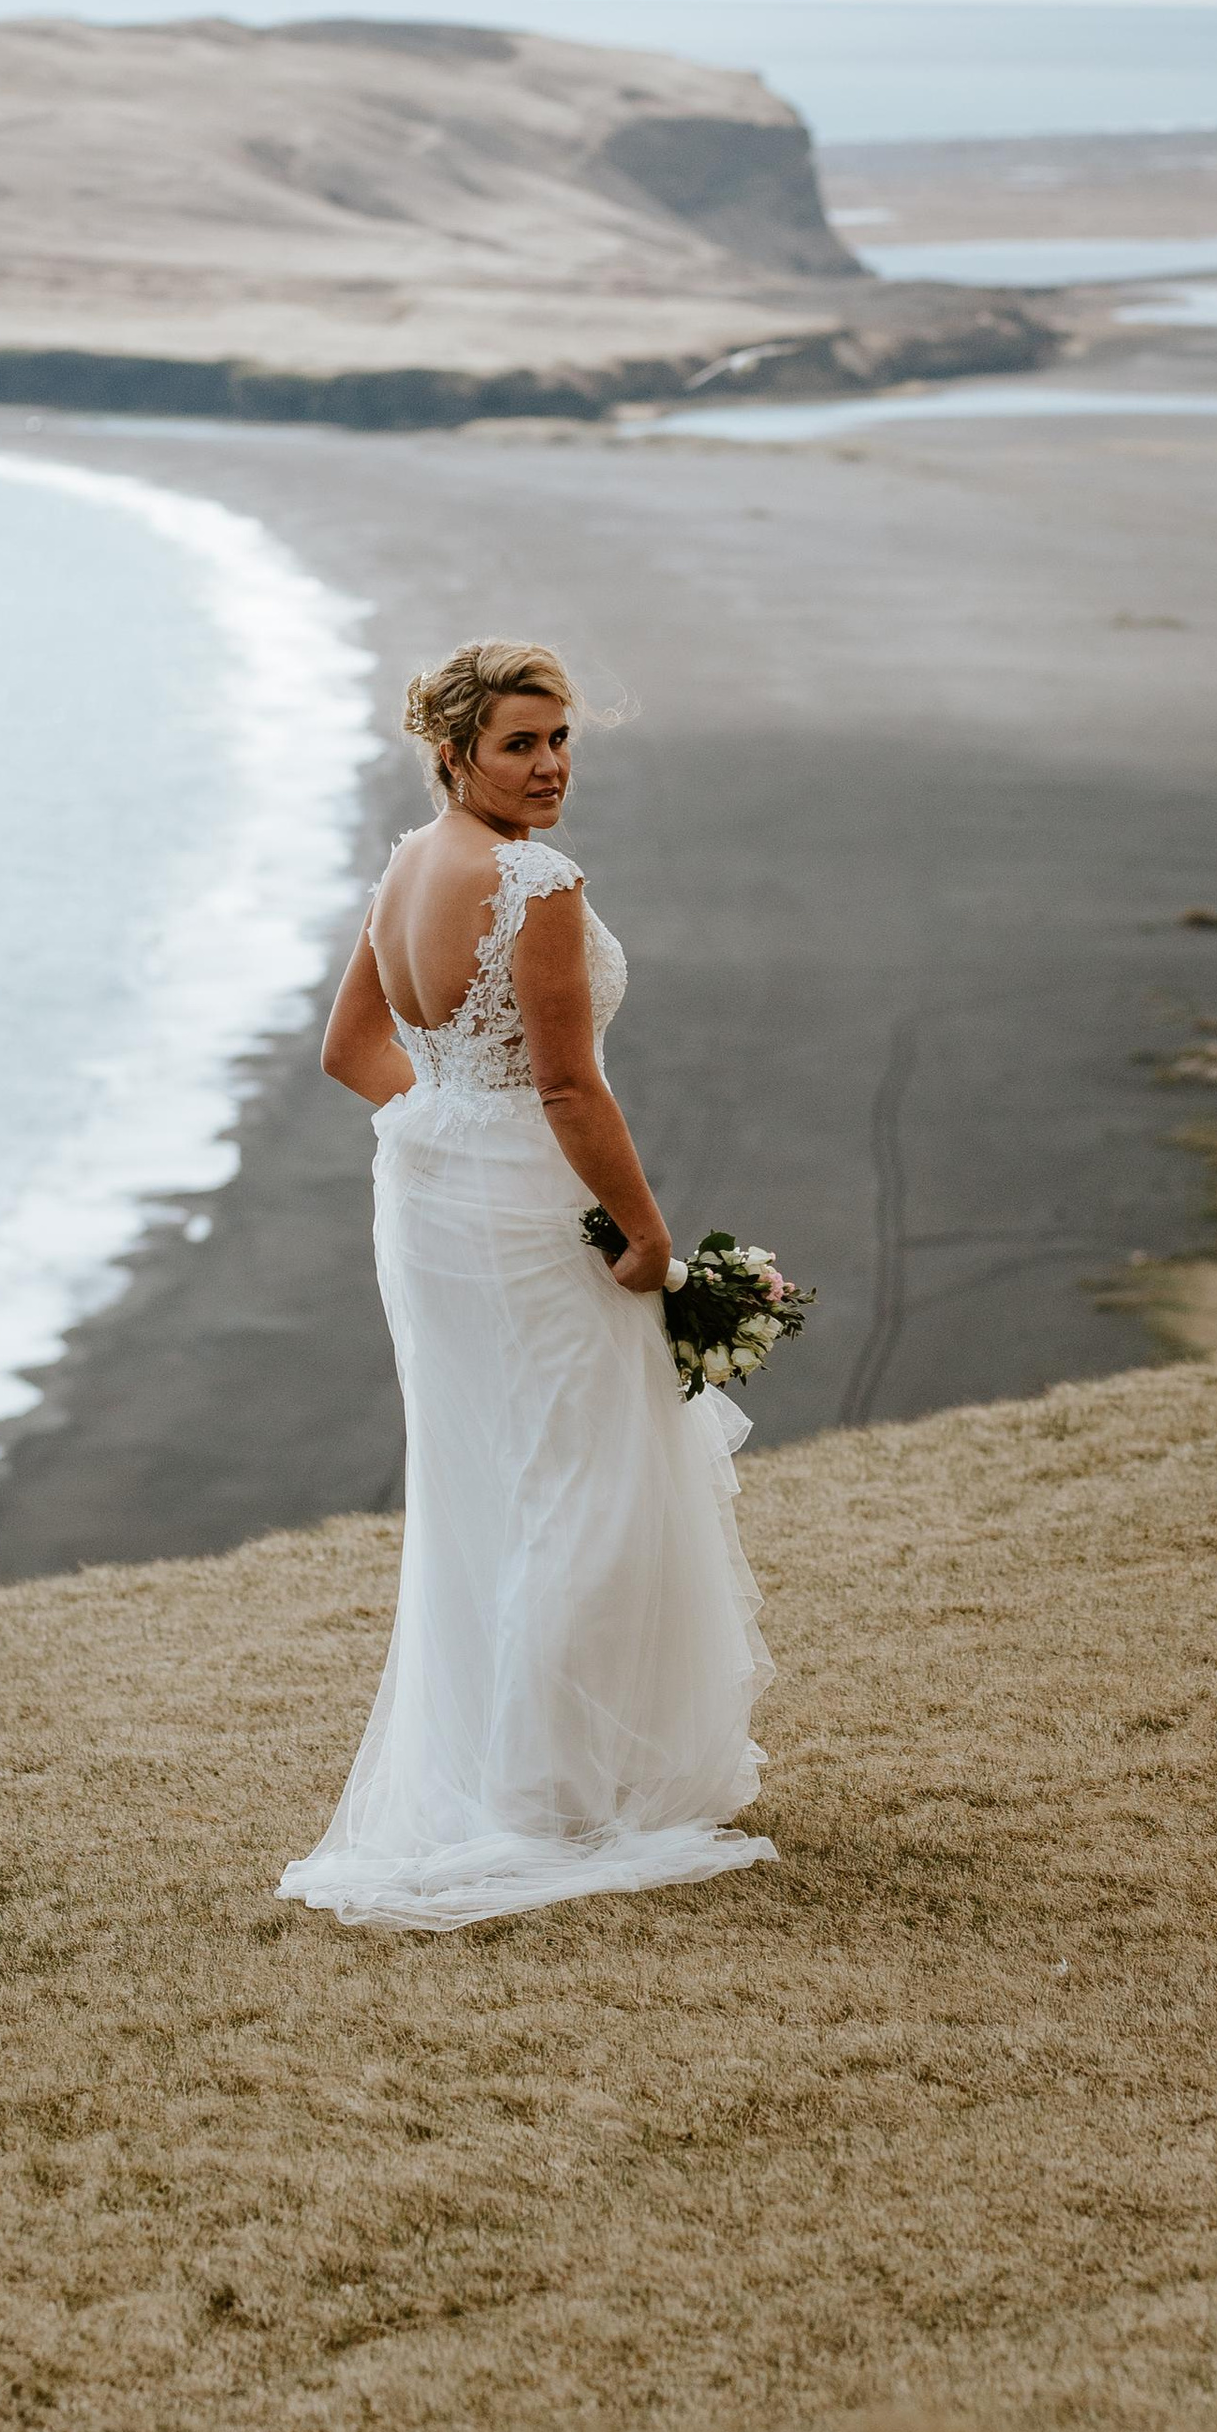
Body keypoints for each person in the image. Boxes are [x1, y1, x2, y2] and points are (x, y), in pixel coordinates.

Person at [278, 638, 774, 1933]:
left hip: (432, 1195)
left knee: (490, 1483)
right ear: (455, 753)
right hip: (527, 1205)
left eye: (561, 740)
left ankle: (508, 1771)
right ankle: (541, 1794)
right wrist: (651, 1236)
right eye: (520, 743)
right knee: (588, 1481)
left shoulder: (404, 863)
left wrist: (453, 1120)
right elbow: (566, 1086)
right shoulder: (532, 881)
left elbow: (354, 1053)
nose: (550, 766)